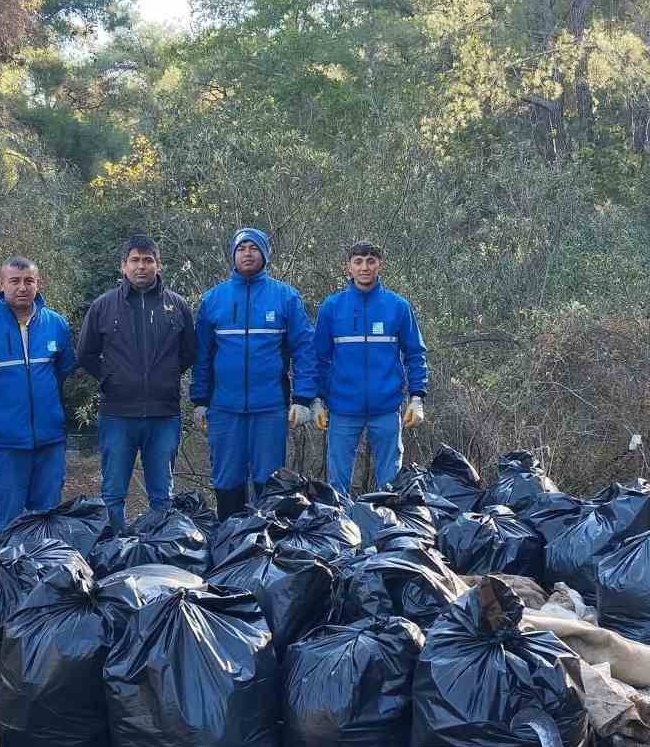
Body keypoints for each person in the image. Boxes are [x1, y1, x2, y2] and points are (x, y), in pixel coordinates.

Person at [189, 227, 317, 518]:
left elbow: (304, 349)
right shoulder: (213, 300)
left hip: (269, 407)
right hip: (224, 408)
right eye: (241, 248)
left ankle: (266, 545)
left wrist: (303, 397)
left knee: (268, 480)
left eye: (254, 248)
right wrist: (200, 400)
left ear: (265, 255)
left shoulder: (285, 297)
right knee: (227, 478)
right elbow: (202, 355)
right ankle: (231, 544)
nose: (247, 253)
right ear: (233, 255)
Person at [0, 257, 76, 547]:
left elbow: (64, 369)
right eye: (15, 281)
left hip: (50, 440)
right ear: (1, 284)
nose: (22, 287)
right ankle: (3, 586)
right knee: (5, 521)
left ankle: (45, 582)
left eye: (29, 281)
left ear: (38, 284)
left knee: (47, 519)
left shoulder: (56, 325)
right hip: (5, 442)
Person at [77, 234, 197, 532]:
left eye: (148, 260)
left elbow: (189, 352)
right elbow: (85, 353)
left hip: (164, 414)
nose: (141, 266)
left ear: (158, 265)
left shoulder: (177, 306)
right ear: (123, 266)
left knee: (162, 495)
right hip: (117, 414)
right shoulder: (103, 306)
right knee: (113, 494)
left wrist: (166, 376)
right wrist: (112, 378)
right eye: (135, 260)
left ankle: (160, 552)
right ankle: (114, 552)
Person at [311, 240, 429, 497]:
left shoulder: (398, 306)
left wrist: (417, 398)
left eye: (370, 261)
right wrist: (316, 398)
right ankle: (341, 533)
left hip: (386, 410)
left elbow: (415, 354)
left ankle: (390, 533)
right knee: (337, 488)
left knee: (391, 487)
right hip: (342, 410)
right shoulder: (332, 308)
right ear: (349, 267)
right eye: (358, 262)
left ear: (380, 265)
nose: (364, 267)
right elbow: (318, 358)